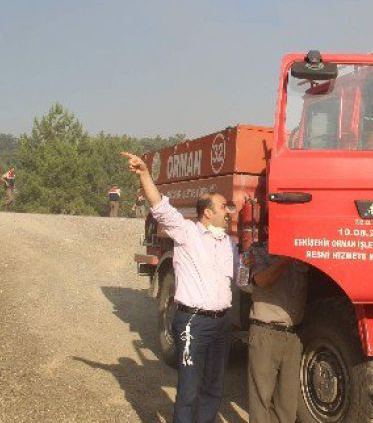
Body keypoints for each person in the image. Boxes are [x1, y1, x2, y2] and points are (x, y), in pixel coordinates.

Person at [121, 151, 238, 423]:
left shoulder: (228, 244)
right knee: (188, 390)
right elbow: (160, 207)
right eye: (224, 207)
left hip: (222, 324)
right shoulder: (187, 233)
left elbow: (242, 277)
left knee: (213, 388)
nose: (229, 212)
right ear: (207, 213)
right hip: (193, 322)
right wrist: (145, 175)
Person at [237, 213, 309, 423]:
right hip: (265, 333)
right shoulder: (258, 252)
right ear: (268, 230)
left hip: (294, 336)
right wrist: (286, 259)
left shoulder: (302, 253)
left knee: (287, 402)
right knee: (261, 398)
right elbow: (261, 280)